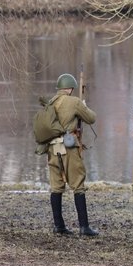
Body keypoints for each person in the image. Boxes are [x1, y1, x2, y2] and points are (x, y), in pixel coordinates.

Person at [46, 73, 99, 236]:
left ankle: (58, 226)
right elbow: (91, 118)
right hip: (68, 147)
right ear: (69, 88)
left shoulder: (50, 102)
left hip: (52, 148)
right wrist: (83, 105)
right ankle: (84, 226)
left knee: (56, 186)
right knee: (78, 184)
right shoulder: (74, 101)